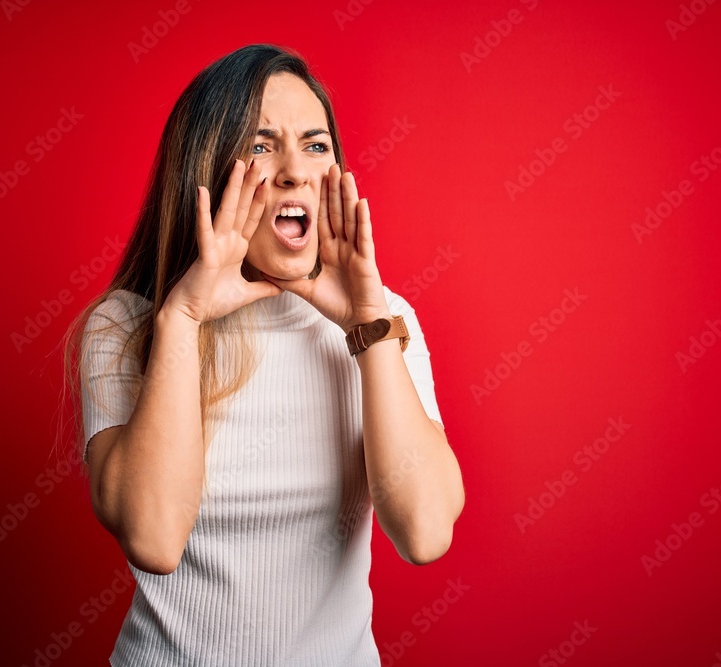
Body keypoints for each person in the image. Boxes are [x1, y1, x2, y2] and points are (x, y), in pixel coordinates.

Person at [65, 43, 464, 666]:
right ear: (207, 169)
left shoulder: (386, 319)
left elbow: (426, 530)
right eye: (259, 146)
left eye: (315, 145)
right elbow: (154, 538)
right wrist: (184, 317)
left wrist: (366, 323)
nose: (293, 171)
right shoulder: (127, 325)